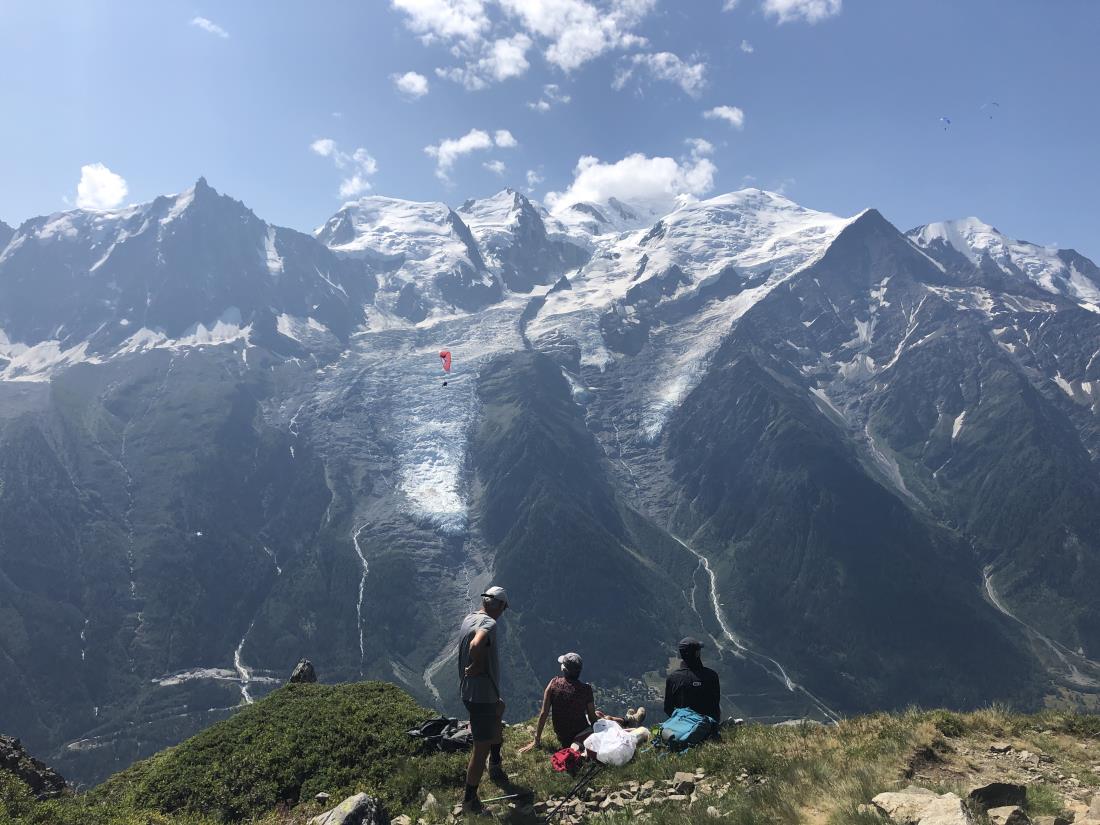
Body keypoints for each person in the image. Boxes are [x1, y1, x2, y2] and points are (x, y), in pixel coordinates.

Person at [519, 652, 646, 753]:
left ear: (564, 669)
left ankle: (628, 720)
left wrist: (537, 740)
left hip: (562, 735)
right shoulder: (585, 690)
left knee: (599, 715)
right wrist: (605, 724)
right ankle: (631, 725)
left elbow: (544, 713)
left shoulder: (553, 684)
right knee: (601, 718)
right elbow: (593, 719)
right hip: (581, 735)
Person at [457, 586, 509, 815]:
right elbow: (476, 645)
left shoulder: (469, 618)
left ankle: (495, 764)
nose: (503, 613)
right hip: (481, 695)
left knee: (500, 708)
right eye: (504, 608)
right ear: (499, 605)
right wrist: (478, 664)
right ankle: (470, 802)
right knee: (481, 749)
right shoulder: (489, 623)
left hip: (471, 691)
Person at [663, 637, 721, 722]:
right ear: (697, 654)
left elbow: (668, 708)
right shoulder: (712, 676)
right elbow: (715, 705)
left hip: (683, 726)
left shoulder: (673, 678)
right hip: (708, 726)